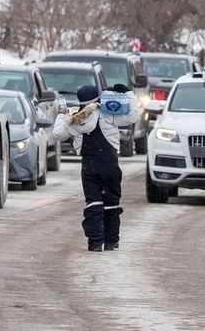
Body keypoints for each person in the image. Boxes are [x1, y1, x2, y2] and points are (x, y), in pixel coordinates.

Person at [50, 83, 141, 252]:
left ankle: (95, 241)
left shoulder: (74, 120)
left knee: (93, 202)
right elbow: (134, 115)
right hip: (110, 164)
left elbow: (57, 134)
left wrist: (61, 115)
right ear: (97, 99)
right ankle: (111, 240)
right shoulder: (107, 114)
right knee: (112, 202)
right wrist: (128, 93)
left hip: (89, 166)